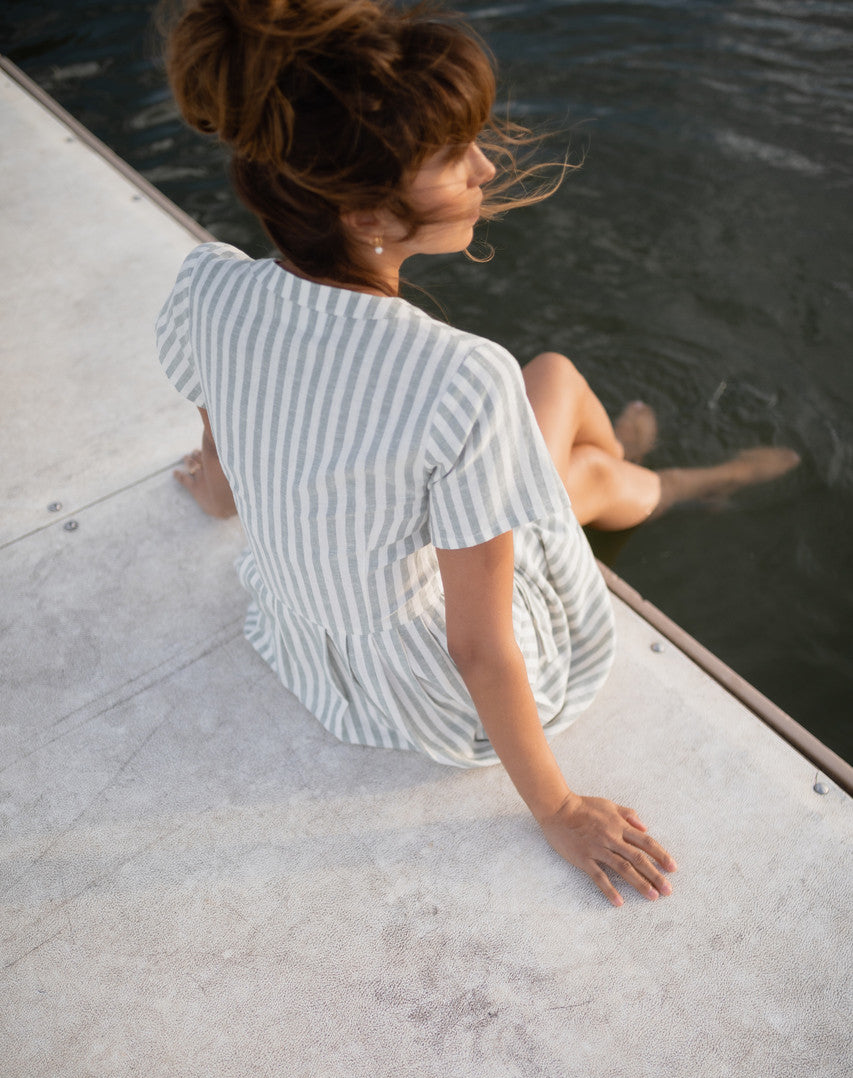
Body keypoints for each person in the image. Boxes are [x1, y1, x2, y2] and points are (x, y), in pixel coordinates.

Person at [156, 0, 798, 906]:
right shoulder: (458, 378)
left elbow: (222, 464)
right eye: (457, 156)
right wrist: (557, 808)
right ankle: (678, 481)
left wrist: (214, 495)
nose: (486, 167)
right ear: (371, 211)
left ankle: (618, 461)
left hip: (309, 643)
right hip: (428, 694)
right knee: (557, 390)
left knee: (554, 384)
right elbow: (478, 648)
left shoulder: (209, 284)